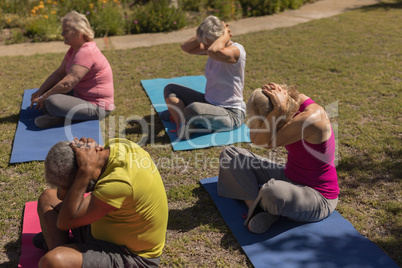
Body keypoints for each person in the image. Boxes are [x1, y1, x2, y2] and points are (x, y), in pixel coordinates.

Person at [218, 83, 339, 233]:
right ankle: (257, 208)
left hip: (318, 196)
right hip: (288, 176)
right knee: (231, 155)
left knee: (273, 192)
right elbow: (255, 137)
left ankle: (264, 203)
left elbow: (262, 142)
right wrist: (275, 112)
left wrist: (277, 111)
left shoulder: (311, 118)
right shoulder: (292, 103)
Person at [35, 137, 168, 267]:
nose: (60, 193)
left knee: (52, 261)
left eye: (63, 188)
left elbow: (63, 223)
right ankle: (68, 253)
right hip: (103, 229)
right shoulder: (118, 146)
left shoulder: (119, 183)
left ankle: (66, 256)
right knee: (48, 198)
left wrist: (85, 170)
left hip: (130, 256)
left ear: (80, 176)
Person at [163, 15, 246, 140]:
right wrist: (202, 35)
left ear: (218, 40)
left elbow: (213, 51)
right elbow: (185, 47)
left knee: (193, 109)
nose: (204, 48)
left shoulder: (236, 51)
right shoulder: (213, 50)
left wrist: (224, 35)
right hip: (209, 103)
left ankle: (183, 119)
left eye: (207, 44)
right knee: (170, 89)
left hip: (231, 114)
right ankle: (184, 125)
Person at [30, 11, 114, 128]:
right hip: (80, 96)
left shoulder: (86, 52)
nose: (62, 34)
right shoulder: (74, 50)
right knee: (49, 91)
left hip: (99, 107)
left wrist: (44, 98)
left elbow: (67, 84)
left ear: (80, 32)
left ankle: (58, 118)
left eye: (66, 31)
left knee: (51, 101)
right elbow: (59, 74)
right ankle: (59, 114)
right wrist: (41, 91)